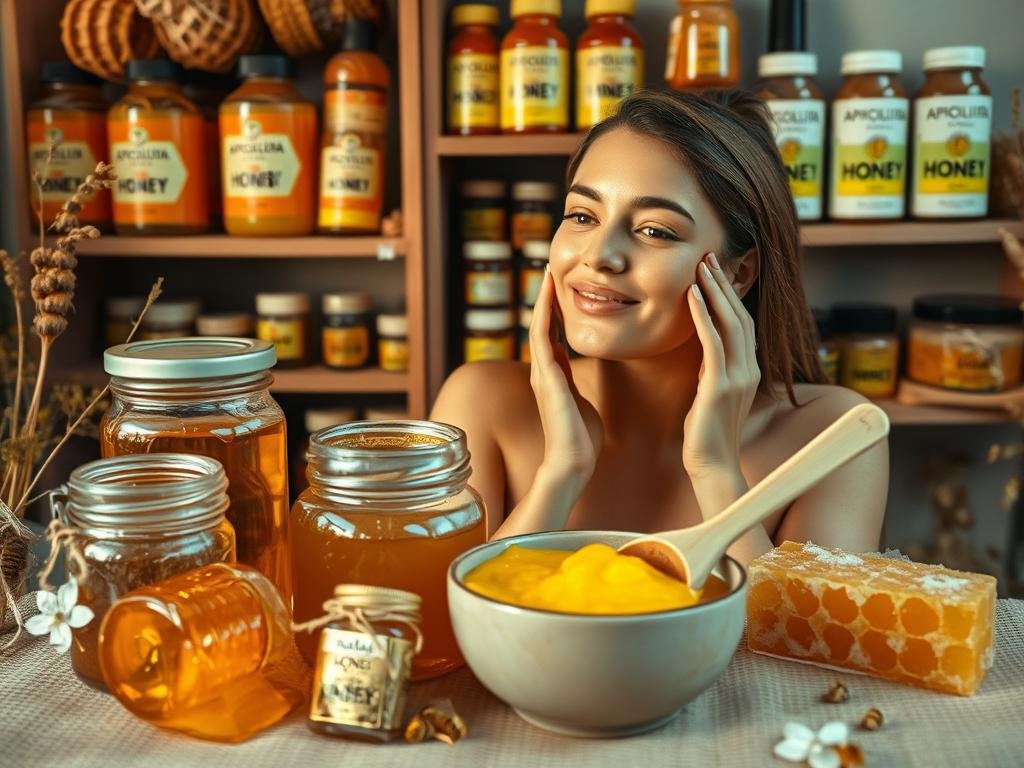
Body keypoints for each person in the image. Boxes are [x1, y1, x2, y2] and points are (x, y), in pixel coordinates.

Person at [431, 89, 888, 565]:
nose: (599, 256)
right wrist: (561, 473)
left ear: (738, 273)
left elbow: (808, 640)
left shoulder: (835, 435)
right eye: (582, 216)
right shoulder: (482, 402)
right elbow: (436, 631)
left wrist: (716, 472)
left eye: (655, 230)